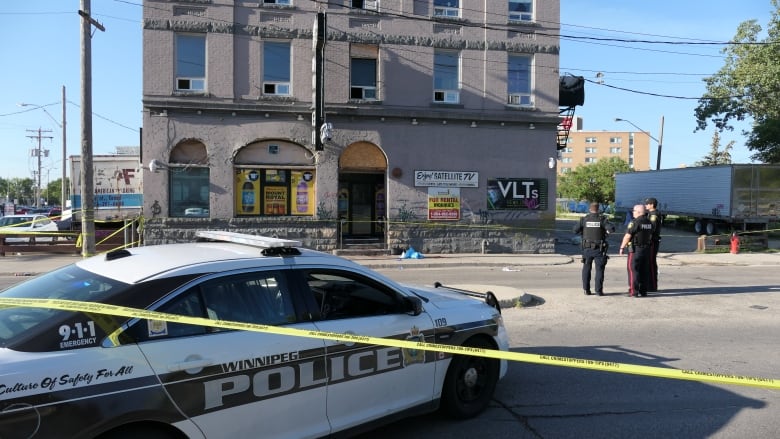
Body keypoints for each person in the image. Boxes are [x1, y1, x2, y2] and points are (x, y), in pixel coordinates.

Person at [573, 202, 615, 296]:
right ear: (598, 209)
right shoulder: (602, 219)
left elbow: (575, 230)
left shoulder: (584, 219)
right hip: (599, 249)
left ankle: (586, 290)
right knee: (599, 269)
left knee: (586, 268)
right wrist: (606, 232)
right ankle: (598, 291)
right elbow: (611, 229)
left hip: (586, 248)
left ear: (589, 209)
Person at [619, 204, 654, 297]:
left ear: (639, 212)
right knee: (644, 270)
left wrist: (622, 247)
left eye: (634, 211)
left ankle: (633, 291)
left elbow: (628, 236)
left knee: (632, 270)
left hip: (635, 249)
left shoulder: (635, 222)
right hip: (646, 249)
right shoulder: (649, 222)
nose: (633, 212)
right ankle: (643, 291)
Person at [644, 197, 662, 292]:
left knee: (651, 262)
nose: (645, 205)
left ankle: (653, 286)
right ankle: (648, 284)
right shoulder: (650, 214)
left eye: (647, 204)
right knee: (648, 262)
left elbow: (651, 229)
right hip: (649, 241)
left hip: (652, 241)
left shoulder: (654, 215)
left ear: (652, 205)